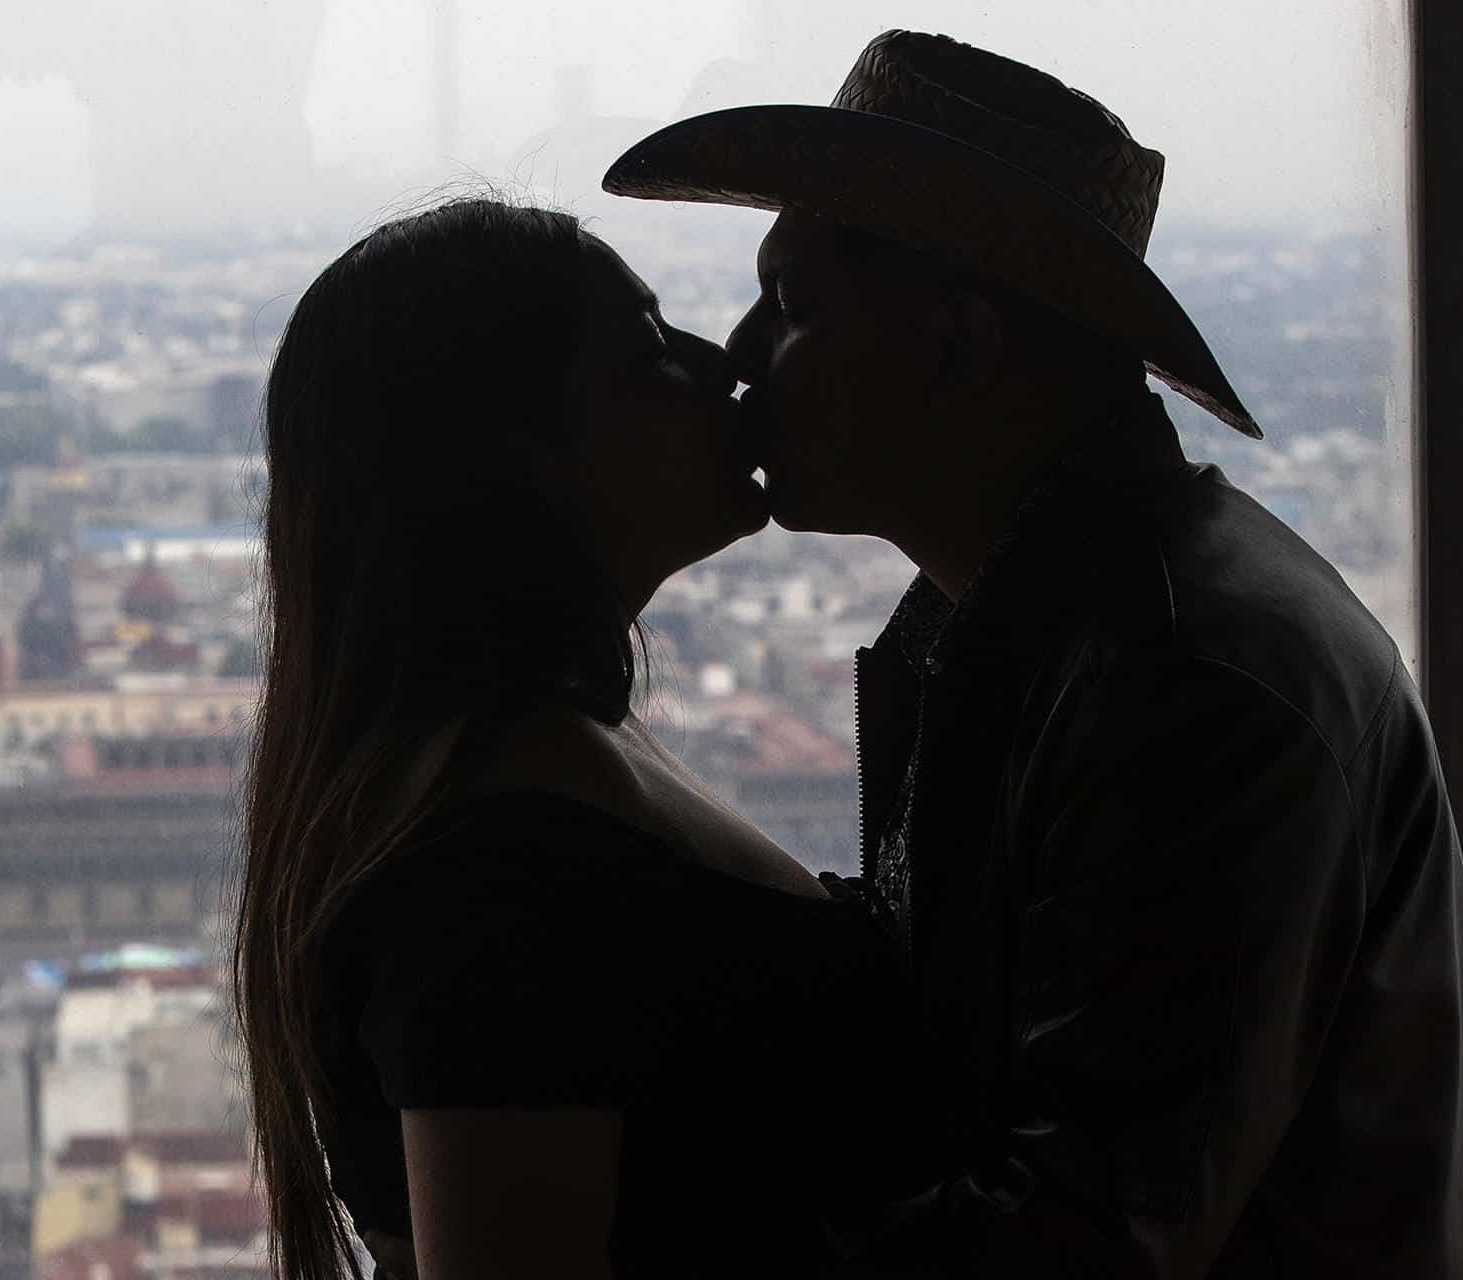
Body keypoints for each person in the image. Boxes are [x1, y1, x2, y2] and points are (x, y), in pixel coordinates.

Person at [599, 28, 1463, 1278]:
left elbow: (1078, 1238)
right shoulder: (1114, 628)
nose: (746, 357)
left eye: (793, 306)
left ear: (955, 345)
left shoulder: (1183, 685)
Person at [230, 198, 942, 1280]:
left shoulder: (516, 780)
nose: (726, 367)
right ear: (515, 457)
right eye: (650, 354)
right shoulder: (506, 863)